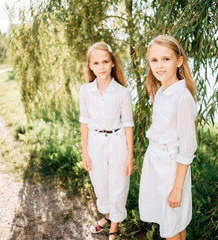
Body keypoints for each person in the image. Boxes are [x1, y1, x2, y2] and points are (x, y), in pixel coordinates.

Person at [139, 35, 197, 240]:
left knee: (172, 226)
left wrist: (177, 188)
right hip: (157, 165)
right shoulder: (162, 93)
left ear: (179, 62)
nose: (159, 65)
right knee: (174, 223)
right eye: (154, 60)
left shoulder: (182, 97)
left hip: (172, 171)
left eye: (166, 59)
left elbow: (188, 147)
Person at [79, 42, 134, 240]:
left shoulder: (122, 92)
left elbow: (128, 124)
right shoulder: (85, 91)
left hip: (117, 141)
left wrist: (130, 157)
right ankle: (108, 216)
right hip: (95, 142)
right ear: (90, 67)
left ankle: (114, 226)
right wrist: (85, 152)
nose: (101, 66)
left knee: (118, 184)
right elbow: (84, 123)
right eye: (96, 63)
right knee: (100, 185)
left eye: (105, 61)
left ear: (112, 63)